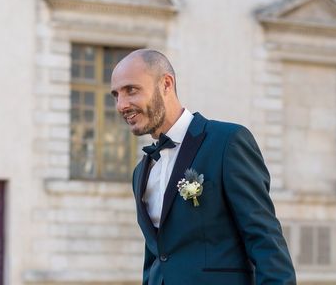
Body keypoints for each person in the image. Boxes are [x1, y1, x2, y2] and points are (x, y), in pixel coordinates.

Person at [110, 49, 296, 285]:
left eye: (131, 90)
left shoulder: (227, 142)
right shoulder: (141, 172)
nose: (121, 104)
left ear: (166, 84)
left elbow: (265, 239)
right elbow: (156, 257)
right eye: (115, 95)